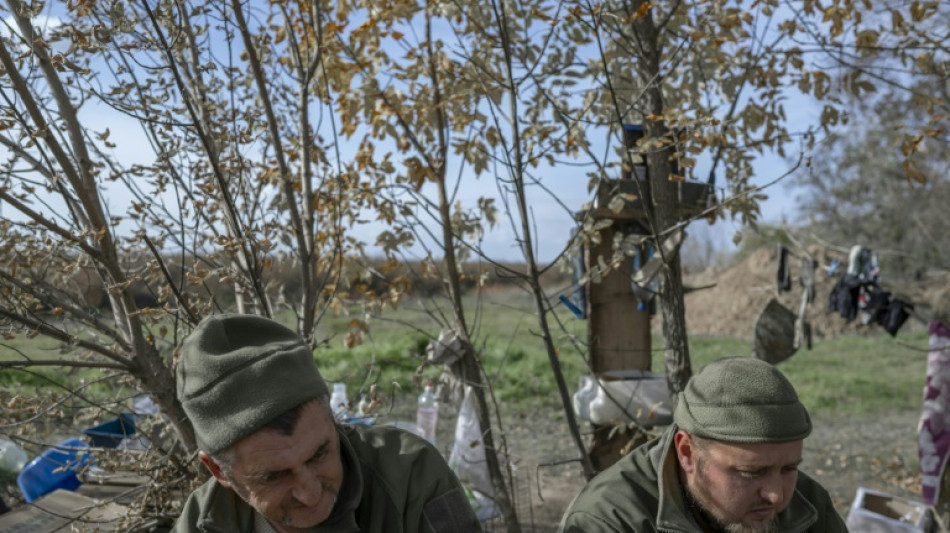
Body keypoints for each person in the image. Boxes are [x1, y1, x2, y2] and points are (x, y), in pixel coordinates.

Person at [172, 314, 481, 533]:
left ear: (332, 421)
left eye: (319, 454)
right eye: (274, 476)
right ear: (218, 471)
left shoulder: (412, 479)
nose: (309, 493)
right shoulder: (204, 521)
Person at [559, 357, 847, 533]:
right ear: (686, 453)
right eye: (751, 472)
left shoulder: (808, 505)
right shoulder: (611, 521)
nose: (775, 494)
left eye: (789, 468)